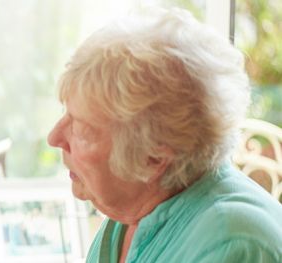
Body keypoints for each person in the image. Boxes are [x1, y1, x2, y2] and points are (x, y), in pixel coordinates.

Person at [46, 8, 282, 263]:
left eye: (81, 129)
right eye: (66, 113)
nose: (54, 137)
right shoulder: (129, 216)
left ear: (153, 159)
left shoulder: (231, 244)